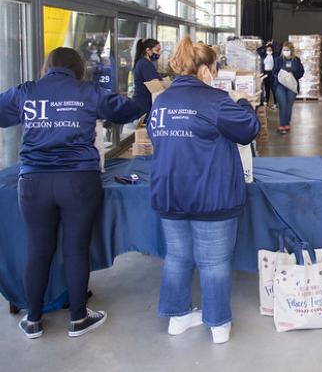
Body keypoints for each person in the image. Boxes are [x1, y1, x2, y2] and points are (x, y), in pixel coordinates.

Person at [0, 48, 146, 339]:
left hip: (33, 182)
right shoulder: (87, 91)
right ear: (79, 68)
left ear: (47, 66)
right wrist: (145, 92)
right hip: (78, 179)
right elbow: (128, 110)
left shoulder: (26, 91)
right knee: (76, 248)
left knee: (37, 250)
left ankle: (33, 319)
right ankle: (78, 317)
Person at [147, 37, 260, 344]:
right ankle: (218, 324)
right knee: (214, 262)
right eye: (214, 67)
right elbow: (248, 129)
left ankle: (177, 317)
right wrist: (241, 101)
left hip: (170, 193)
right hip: (211, 196)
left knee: (177, 257)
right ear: (207, 69)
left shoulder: (162, 102)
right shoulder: (216, 101)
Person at [272, 42, 304, 134]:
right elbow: (274, 71)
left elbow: (301, 72)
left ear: (291, 51)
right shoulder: (279, 60)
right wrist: (279, 77)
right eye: (284, 50)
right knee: (283, 105)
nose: (285, 51)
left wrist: (292, 76)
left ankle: (287, 124)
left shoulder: (296, 60)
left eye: (287, 50)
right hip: (280, 85)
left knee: (289, 106)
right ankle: (282, 125)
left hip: (292, 86)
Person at [132, 38, 162, 112]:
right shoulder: (144, 64)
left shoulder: (143, 63)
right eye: (157, 50)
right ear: (148, 50)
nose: (159, 53)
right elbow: (156, 86)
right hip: (143, 104)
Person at [257, 41, 276, 109]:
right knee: (266, 89)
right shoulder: (263, 55)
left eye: (270, 50)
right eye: (268, 50)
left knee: (273, 89)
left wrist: (272, 43)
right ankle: (266, 103)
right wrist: (265, 45)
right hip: (265, 73)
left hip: (272, 73)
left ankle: (275, 104)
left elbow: (279, 49)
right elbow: (258, 50)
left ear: (272, 50)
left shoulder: (274, 56)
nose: (269, 51)